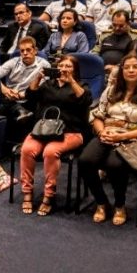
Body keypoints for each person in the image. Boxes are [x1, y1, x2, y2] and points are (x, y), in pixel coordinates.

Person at [80, 54, 137, 226]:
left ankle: (119, 205)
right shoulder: (111, 90)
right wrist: (102, 132)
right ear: (121, 71)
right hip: (107, 134)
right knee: (85, 161)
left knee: (114, 165)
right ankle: (101, 202)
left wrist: (121, 136)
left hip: (131, 138)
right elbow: (97, 116)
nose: (131, 70)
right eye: (127, 67)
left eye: (135, 67)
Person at [19, 55, 93, 216]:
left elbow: (85, 101)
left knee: (50, 152)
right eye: (61, 66)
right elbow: (30, 97)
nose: (64, 69)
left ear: (75, 70)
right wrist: (38, 78)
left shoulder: (81, 86)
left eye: (68, 66)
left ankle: (49, 196)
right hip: (44, 130)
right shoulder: (48, 84)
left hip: (71, 131)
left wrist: (71, 81)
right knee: (27, 150)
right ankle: (27, 192)